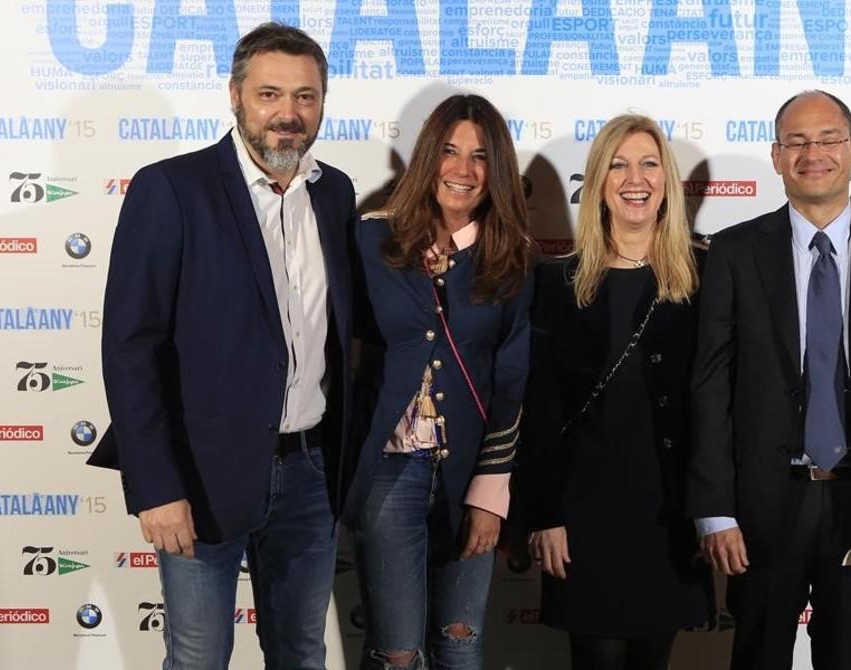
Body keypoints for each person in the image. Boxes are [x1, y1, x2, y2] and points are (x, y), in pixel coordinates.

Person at [89, 22, 356, 669]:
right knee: (199, 656)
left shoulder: (335, 193)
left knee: (300, 652)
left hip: (311, 473)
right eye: (270, 95)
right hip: (198, 475)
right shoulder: (173, 189)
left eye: (305, 97)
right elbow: (131, 345)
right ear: (234, 97)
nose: (288, 115)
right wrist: (154, 486)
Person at [688, 90, 851, 670]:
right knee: (756, 656)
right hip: (760, 506)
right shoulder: (733, 251)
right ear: (777, 157)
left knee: (850, 658)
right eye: (797, 142)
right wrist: (716, 510)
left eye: (829, 139)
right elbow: (710, 387)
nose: (814, 153)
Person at [344, 93, 534, 670]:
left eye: (480, 157)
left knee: (459, 640)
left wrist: (490, 494)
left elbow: (513, 379)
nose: (463, 169)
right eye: (450, 151)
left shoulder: (514, 257)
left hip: (469, 472)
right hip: (389, 471)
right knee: (398, 651)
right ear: (428, 156)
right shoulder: (372, 240)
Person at [520, 114, 712, 670]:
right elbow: (540, 408)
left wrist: (715, 512)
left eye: (650, 163)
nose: (636, 177)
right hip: (583, 516)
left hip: (669, 516)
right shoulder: (554, 283)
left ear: (668, 182)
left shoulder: (706, 276)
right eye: (620, 164)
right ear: (599, 182)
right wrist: (543, 514)